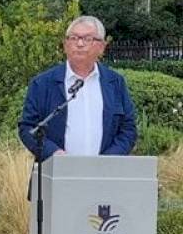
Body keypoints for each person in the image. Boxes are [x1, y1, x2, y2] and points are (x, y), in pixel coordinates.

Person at [18, 15, 137, 160]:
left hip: (104, 174)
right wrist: (53, 153)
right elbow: (28, 128)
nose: (79, 44)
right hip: (57, 172)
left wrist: (108, 160)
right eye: (73, 38)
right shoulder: (43, 83)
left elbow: (128, 129)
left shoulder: (115, 83)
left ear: (102, 47)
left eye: (87, 39)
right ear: (65, 45)